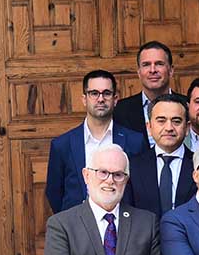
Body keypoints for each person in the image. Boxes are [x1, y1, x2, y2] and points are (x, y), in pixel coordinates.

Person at [45, 69, 146, 213]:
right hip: (78, 227)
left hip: (123, 226)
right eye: (94, 93)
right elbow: (54, 192)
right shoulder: (62, 144)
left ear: (115, 99)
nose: (100, 99)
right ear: (84, 99)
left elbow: (140, 188)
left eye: (106, 93)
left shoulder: (134, 141)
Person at [126, 94, 197, 216]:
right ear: (149, 127)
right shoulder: (133, 167)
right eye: (161, 121)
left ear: (187, 128)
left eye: (176, 121)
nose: (169, 128)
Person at [112, 41, 176, 141]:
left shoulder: (188, 106)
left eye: (159, 64)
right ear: (139, 72)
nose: (153, 70)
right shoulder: (120, 110)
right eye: (146, 65)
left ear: (171, 70)